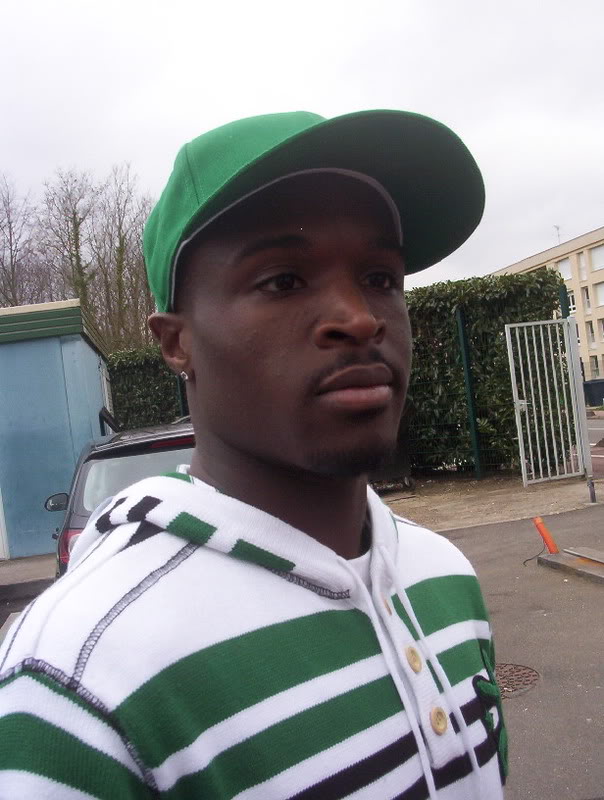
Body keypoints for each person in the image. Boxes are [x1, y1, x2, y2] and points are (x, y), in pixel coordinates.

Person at [0, 110, 507, 799]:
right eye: (284, 281)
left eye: (381, 276)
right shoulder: (76, 680)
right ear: (175, 342)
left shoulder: (446, 575)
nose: (360, 318)